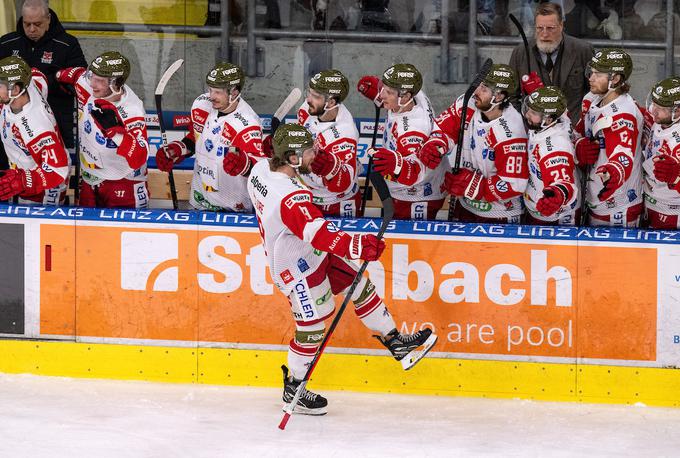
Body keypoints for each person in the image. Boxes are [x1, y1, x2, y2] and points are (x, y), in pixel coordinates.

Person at [248, 123, 437, 415]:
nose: (316, 154)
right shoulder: (288, 197)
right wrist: (358, 246)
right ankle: (293, 388)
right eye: (310, 150)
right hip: (294, 267)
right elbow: (317, 231)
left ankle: (396, 342)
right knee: (312, 330)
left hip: (309, 251)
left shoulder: (262, 169)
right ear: (293, 158)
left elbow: (313, 231)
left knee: (359, 282)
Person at [155, 62, 264, 212]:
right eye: (210, 90)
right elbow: (197, 138)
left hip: (232, 208)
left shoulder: (246, 124)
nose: (211, 96)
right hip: (198, 200)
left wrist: (244, 164)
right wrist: (179, 149)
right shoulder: (201, 105)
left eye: (218, 92)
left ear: (234, 92)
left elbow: (259, 169)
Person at [55, 51, 150, 208]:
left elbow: (140, 156)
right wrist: (57, 78)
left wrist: (117, 133)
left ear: (115, 83)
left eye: (99, 80)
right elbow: (69, 75)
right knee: (85, 231)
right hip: (89, 178)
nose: (92, 83)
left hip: (123, 181)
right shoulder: (86, 85)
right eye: (91, 76)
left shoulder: (132, 110)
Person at [358, 63, 449, 220]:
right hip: (411, 190)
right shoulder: (416, 95)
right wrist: (384, 93)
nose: (381, 94)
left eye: (388, 92)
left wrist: (397, 165)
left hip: (417, 197)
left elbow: (414, 173)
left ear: (405, 97)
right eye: (382, 87)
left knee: (412, 241)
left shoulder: (411, 133)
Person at [439, 64, 528, 224]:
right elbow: (443, 128)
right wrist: (436, 143)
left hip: (499, 213)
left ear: (499, 97)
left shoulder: (511, 132)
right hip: (466, 205)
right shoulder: (469, 104)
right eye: (478, 84)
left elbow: (515, 184)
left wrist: (474, 185)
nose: (476, 91)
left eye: (484, 89)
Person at [0, 0, 87, 151]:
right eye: (27, 24)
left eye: (38, 24)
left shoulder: (67, 44)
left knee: (52, 170)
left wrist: (44, 82)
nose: (32, 29)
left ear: (48, 19)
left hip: (54, 119)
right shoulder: (7, 42)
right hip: (11, 122)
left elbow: (81, 80)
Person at [573, 48, 644, 227]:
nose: (590, 78)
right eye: (591, 72)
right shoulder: (592, 99)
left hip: (618, 203)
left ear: (615, 78)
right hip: (595, 194)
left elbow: (623, 154)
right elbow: (579, 132)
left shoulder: (624, 113)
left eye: (598, 74)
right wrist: (580, 144)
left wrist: (615, 171)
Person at [508, 1, 594, 124]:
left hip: (573, 132)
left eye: (550, 28)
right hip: (534, 134)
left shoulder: (582, 51)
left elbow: (594, 92)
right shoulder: (520, 53)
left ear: (561, 25)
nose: (544, 34)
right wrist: (525, 123)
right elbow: (511, 96)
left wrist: (583, 127)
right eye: (539, 28)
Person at [0, 56, 69, 204]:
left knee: (39, 226)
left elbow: (58, 169)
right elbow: (37, 73)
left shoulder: (35, 127)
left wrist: (24, 181)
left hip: (44, 186)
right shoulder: (30, 83)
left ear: (15, 89)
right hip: (21, 170)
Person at [296, 69, 361, 217]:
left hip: (337, 204)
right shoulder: (308, 109)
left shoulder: (344, 134)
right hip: (308, 194)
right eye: (309, 92)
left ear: (331, 102)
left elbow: (343, 184)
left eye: (316, 96)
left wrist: (333, 169)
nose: (308, 100)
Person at [521, 86, 581, 225]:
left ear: (548, 119)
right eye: (528, 108)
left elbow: (562, 183)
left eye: (533, 111)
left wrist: (557, 196)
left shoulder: (554, 146)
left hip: (556, 216)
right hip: (536, 207)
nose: (527, 114)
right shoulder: (554, 122)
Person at [641, 77, 680, 229]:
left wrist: (679, 173)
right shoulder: (663, 118)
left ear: (678, 111)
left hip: (673, 212)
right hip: (649, 201)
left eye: (660, 108)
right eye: (653, 104)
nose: (653, 111)